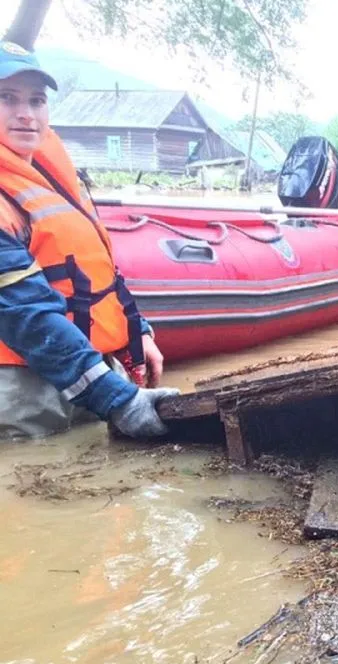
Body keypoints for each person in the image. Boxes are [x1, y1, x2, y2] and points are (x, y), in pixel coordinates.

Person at [0, 41, 178, 440]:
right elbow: (25, 316)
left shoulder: (52, 178)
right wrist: (117, 398)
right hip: (21, 394)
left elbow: (94, 269)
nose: (25, 114)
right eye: (6, 98)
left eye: (36, 100)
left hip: (84, 376)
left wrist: (137, 333)